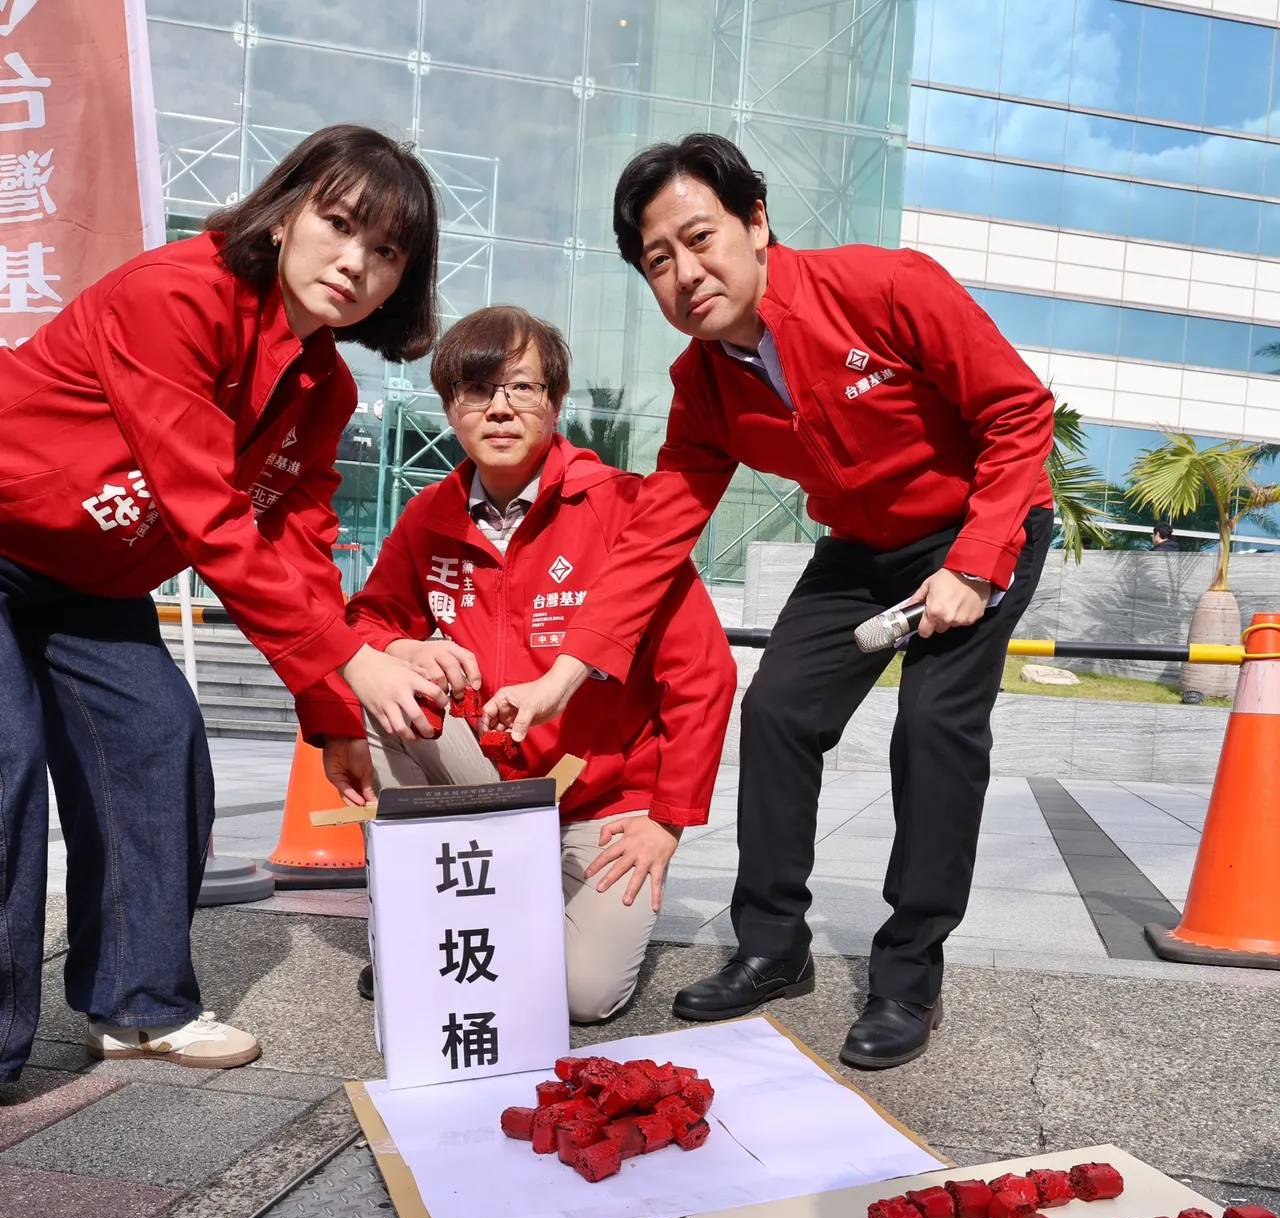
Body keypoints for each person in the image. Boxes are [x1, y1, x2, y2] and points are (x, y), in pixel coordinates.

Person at [483, 134, 1056, 1069]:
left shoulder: (885, 287)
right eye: (657, 261)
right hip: (860, 547)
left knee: (933, 726)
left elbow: (1018, 410)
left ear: (755, 222)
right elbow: (654, 539)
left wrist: (976, 561)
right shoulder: (702, 385)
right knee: (780, 710)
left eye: (699, 238)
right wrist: (564, 674)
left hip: (983, 523)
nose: (685, 273)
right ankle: (773, 946)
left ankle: (909, 975)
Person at [0, 124, 450, 1086]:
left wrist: (333, 712)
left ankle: (137, 1006)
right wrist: (354, 660)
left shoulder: (322, 388)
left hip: (92, 584)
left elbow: (297, 544)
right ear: (284, 215)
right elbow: (206, 513)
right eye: (339, 224)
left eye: (386, 253)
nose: (355, 262)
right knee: (6, 760)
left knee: (158, 739)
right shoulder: (178, 294)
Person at [311, 304, 736, 1023]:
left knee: (582, 996)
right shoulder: (429, 516)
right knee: (375, 691)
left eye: (522, 388)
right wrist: (407, 648)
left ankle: (499, 911)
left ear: (556, 400)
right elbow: (365, 623)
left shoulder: (622, 509)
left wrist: (666, 820)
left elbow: (702, 673)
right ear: (450, 407)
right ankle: (422, 920)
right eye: (477, 390)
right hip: (486, 782)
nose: (500, 408)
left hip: (600, 799)